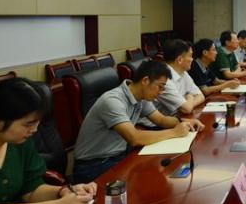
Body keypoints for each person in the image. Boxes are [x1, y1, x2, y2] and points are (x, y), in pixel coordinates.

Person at [72, 60, 204, 183]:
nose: (161, 92)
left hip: (118, 156)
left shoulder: (141, 97)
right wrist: (175, 132)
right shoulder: (112, 101)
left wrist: (185, 121)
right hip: (93, 165)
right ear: (145, 81)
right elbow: (134, 138)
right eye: (160, 87)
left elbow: (161, 120)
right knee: (149, 182)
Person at [142, 39, 205, 126]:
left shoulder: (183, 72)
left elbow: (201, 96)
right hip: (155, 125)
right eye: (190, 56)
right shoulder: (164, 79)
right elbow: (186, 109)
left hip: (175, 119)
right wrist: (190, 96)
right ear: (179, 60)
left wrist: (189, 102)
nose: (192, 59)